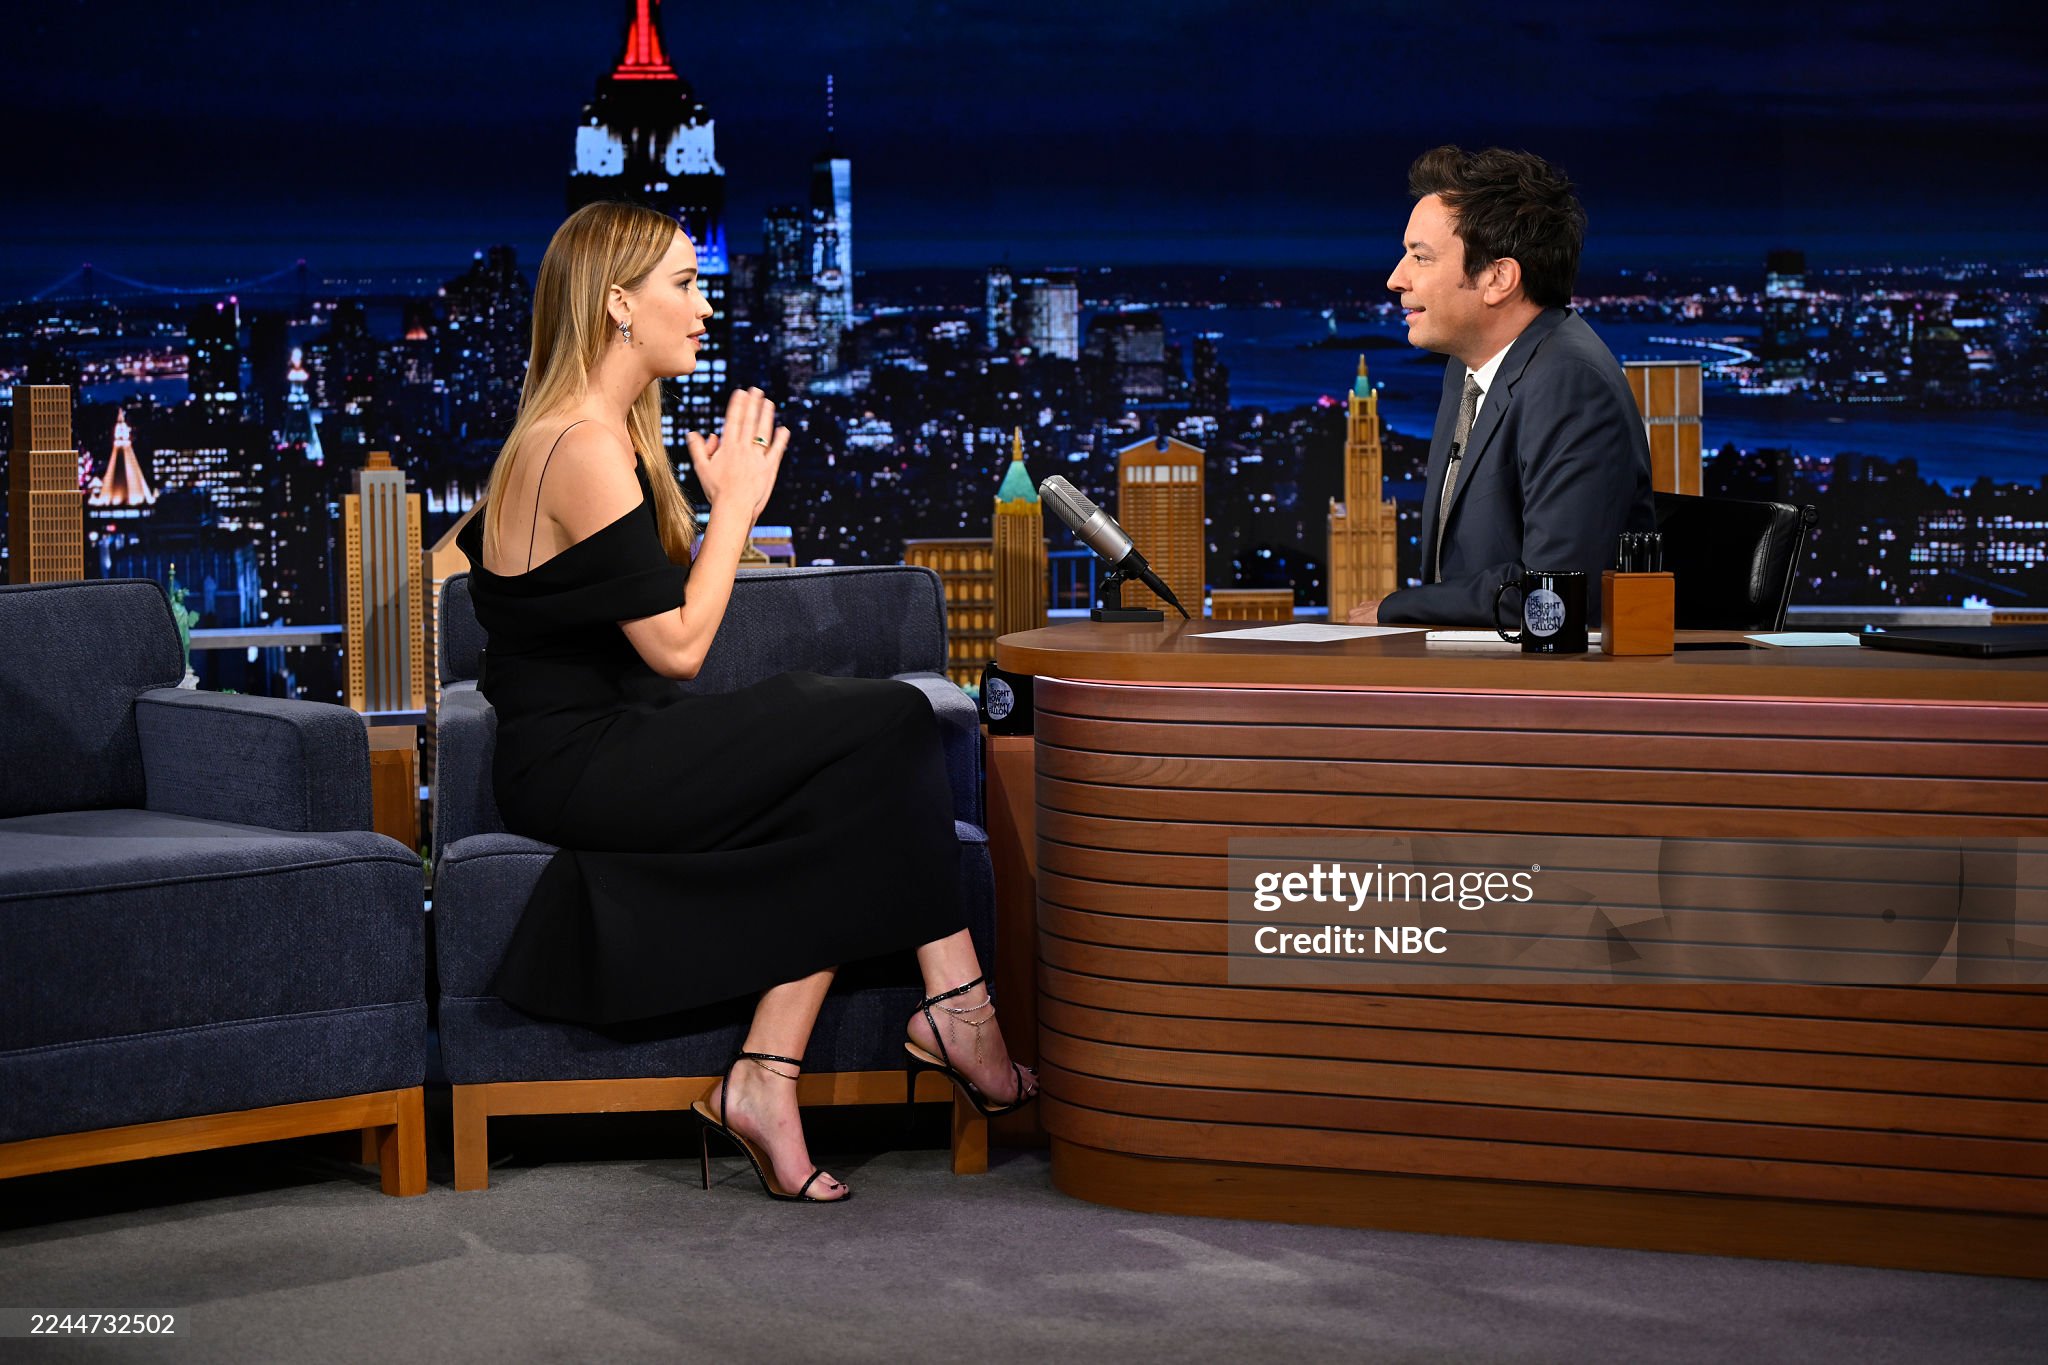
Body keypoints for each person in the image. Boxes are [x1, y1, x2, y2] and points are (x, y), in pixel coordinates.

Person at [456, 201, 1035, 1204]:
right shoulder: (581, 446)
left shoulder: (568, 435)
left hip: (599, 747)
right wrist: (733, 510)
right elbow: (678, 648)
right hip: (587, 763)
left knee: (858, 771)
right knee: (898, 718)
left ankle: (766, 1077)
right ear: (617, 304)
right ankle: (960, 1007)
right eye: (683, 284)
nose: (703, 306)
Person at [1349, 146, 1654, 627]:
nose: (1395, 279)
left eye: (1421, 258)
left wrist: (1396, 609)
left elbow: (1554, 590)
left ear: (1498, 278)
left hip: (1541, 672)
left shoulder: (1570, 383)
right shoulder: (1466, 370)